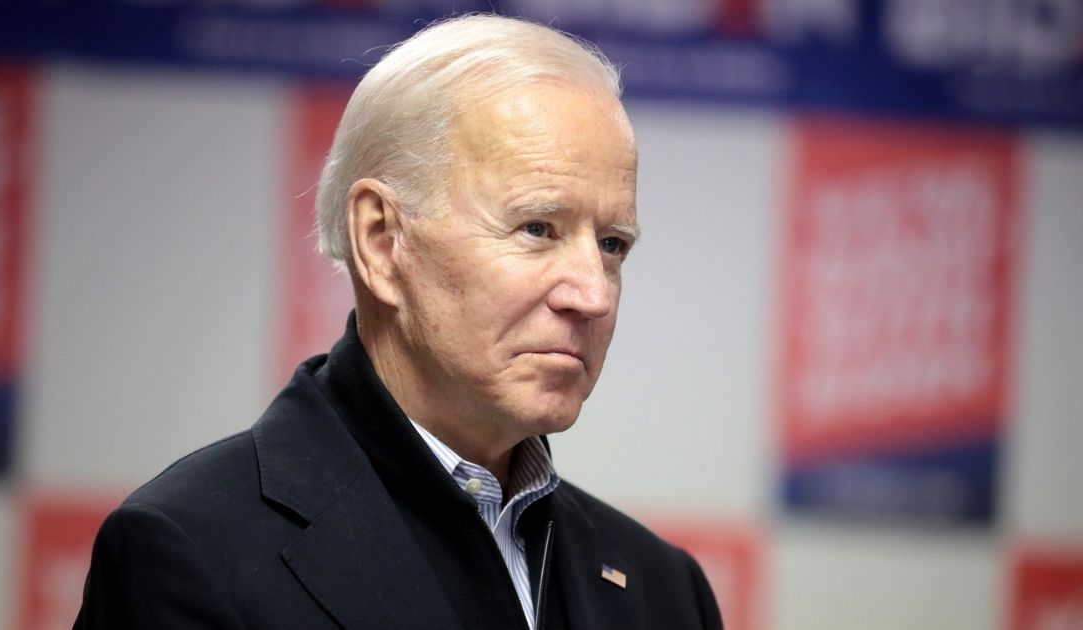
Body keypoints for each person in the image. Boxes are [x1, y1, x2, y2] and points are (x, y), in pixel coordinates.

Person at [75, 13, 722, 630]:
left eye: (612, 244)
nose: (593, 294)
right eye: (537, 229)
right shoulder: (191, 553)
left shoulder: (666, 590)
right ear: (382, 240)